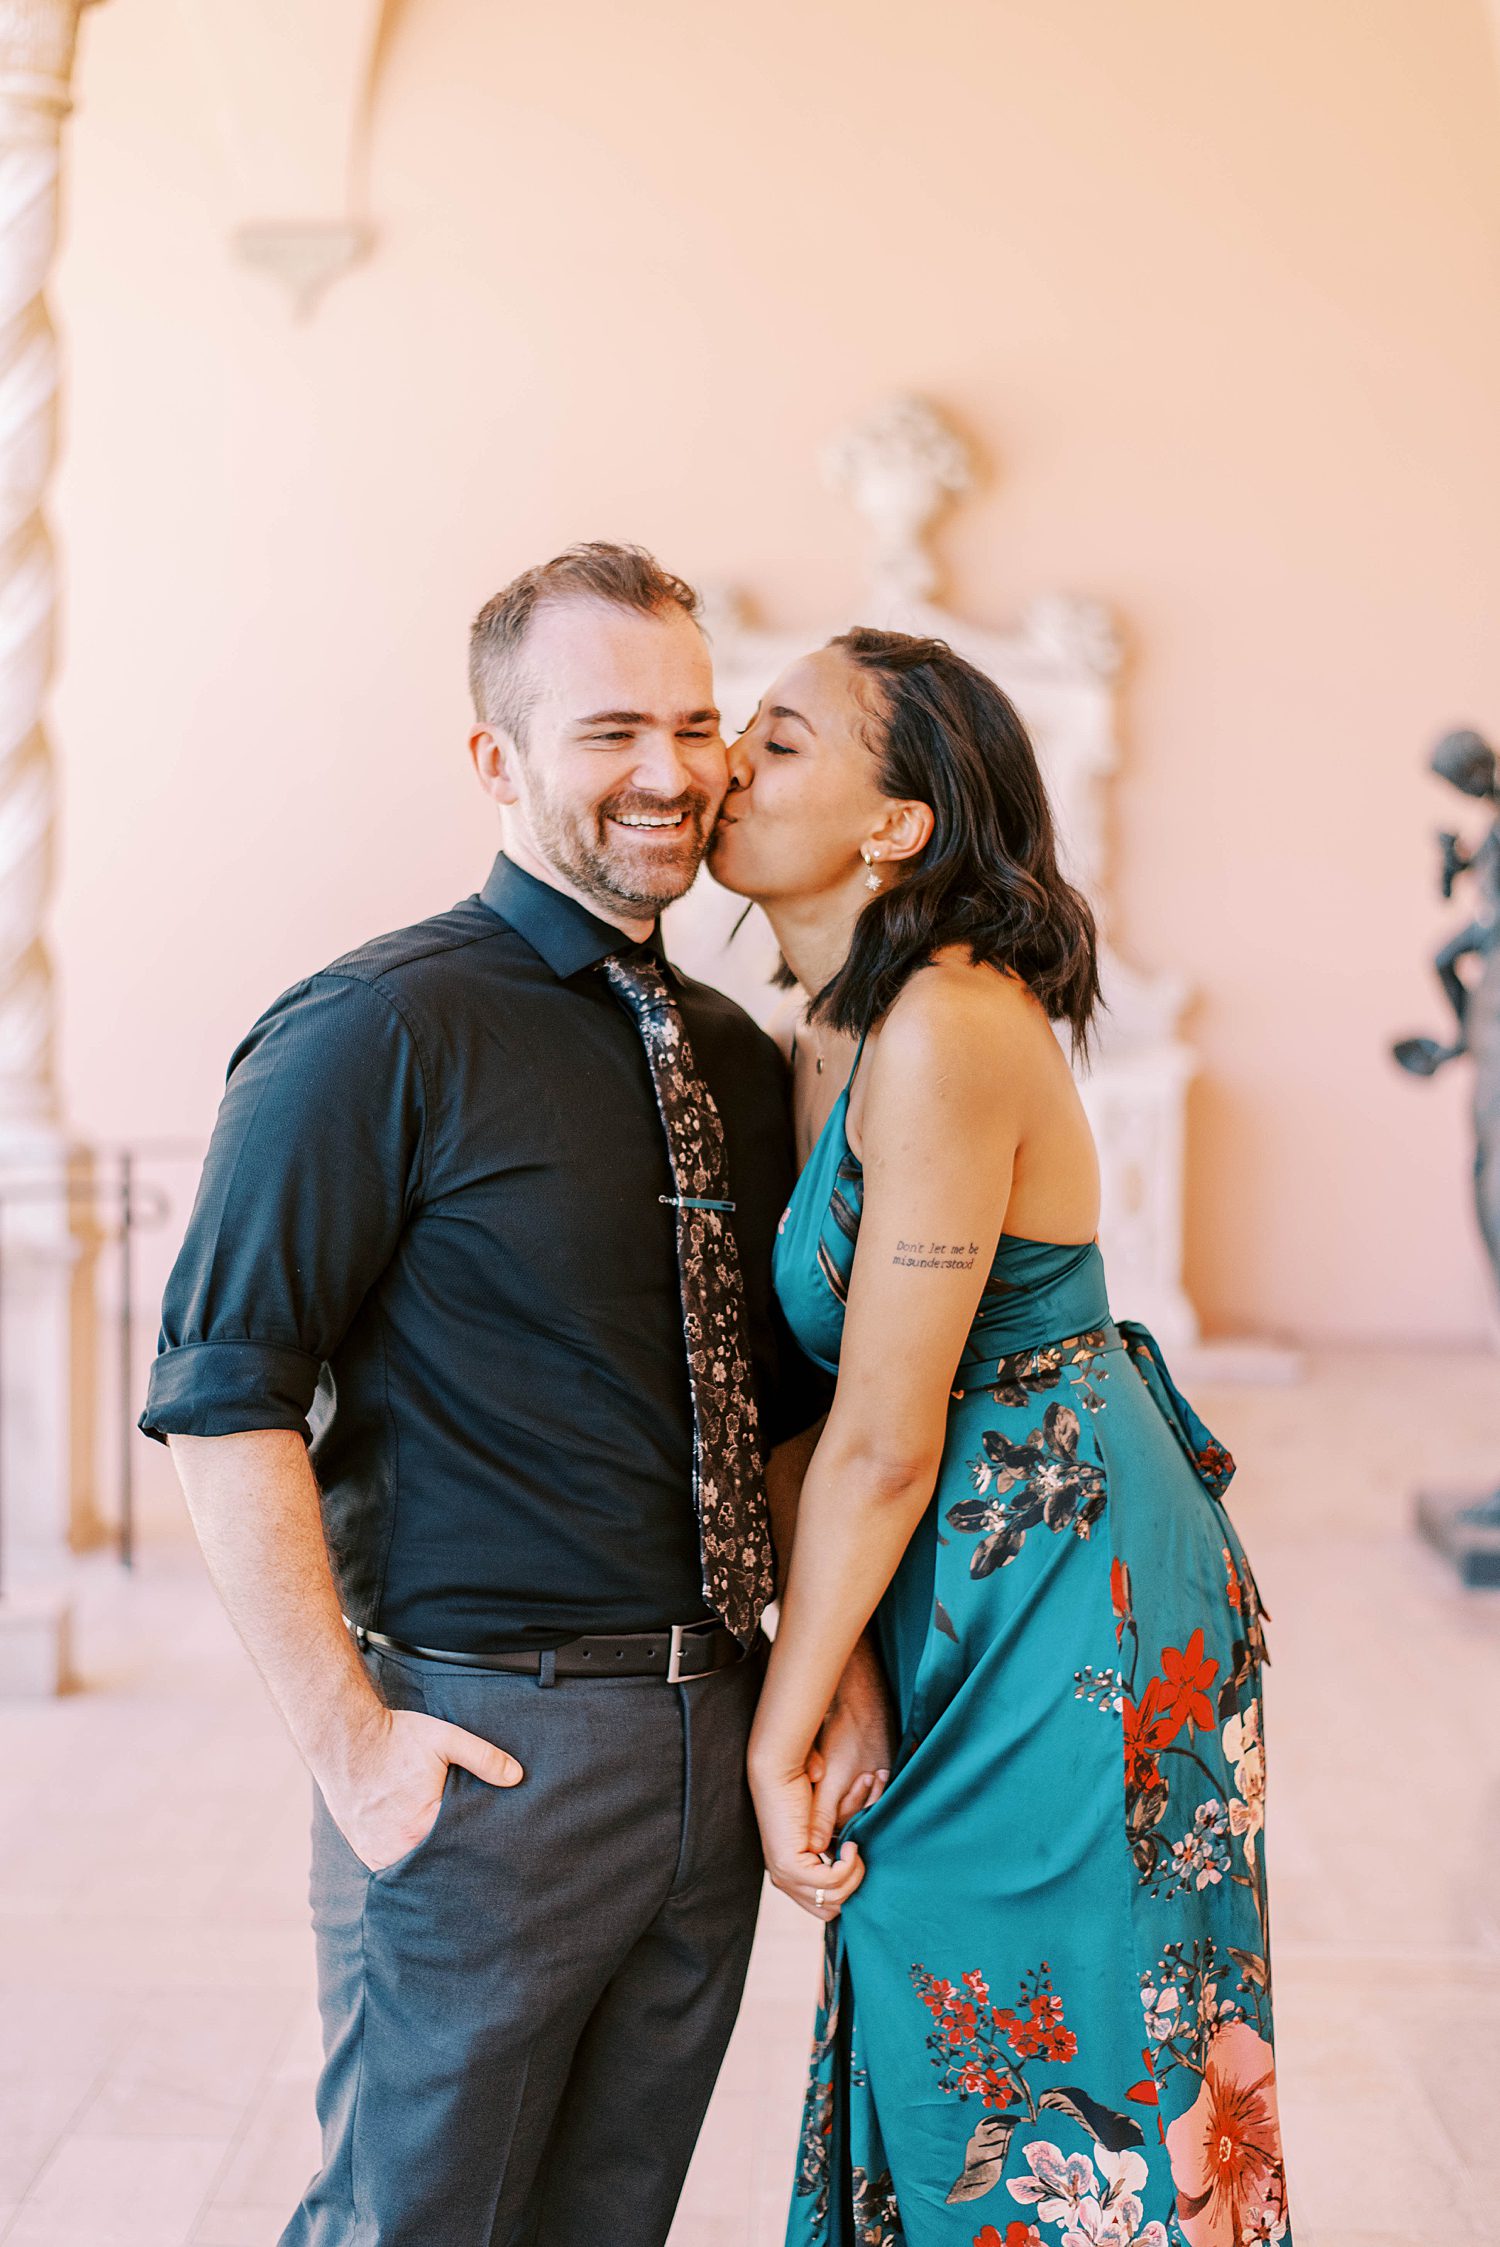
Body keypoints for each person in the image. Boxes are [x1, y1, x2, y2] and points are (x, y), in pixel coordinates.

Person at [139, 544, 890, 2247]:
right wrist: (354, 1749)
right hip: (489, 1761)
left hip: (717, 1749)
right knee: (414, 2226)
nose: (672, 772)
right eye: (610, 728)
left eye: (699, 725)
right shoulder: (370, 1030)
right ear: (496, 758)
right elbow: (221, 1401)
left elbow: (776, 1415)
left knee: (607, 2225)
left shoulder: (737, 1054)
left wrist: (824, 1676)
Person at [711, 628, 1293, 2247]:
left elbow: (889, 1437)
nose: (725, 767)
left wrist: (781, 1723)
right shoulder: (816, 1027)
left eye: (780, 741)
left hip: (1073, 1591)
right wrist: (847, 1662)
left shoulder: (949, 1027)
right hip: (953, 1573)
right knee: (939, 1990)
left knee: (1070, 2044)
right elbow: (819, 1399)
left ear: (894, 826)